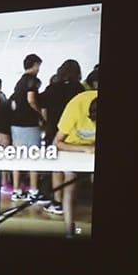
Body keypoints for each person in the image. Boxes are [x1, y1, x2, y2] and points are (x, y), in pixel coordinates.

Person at [48, 88, 97, 237]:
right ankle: (70, 231)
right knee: (70, 184)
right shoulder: (76, 107)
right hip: (71, 146)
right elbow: (57, 143)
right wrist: (85, 149)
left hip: (91, 150)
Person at [39, 59, 85, 214]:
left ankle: (58, 201)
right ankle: (70, 201)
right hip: (74, 133)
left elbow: (41, 104)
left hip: (54, 129)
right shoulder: (79, 88)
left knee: (56, 167)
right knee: (72, 169)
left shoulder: (53, 88)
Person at [9, 54, 49, 204]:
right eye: (39, 66)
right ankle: (33, 191)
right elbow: (31, 100)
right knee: (34, 157)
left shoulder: (19, 82)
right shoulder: (32, 80)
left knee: (18, 157)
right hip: (29, 124)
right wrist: (40, 114)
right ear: (35, 65)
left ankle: (17, 191)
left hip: (16, 124)